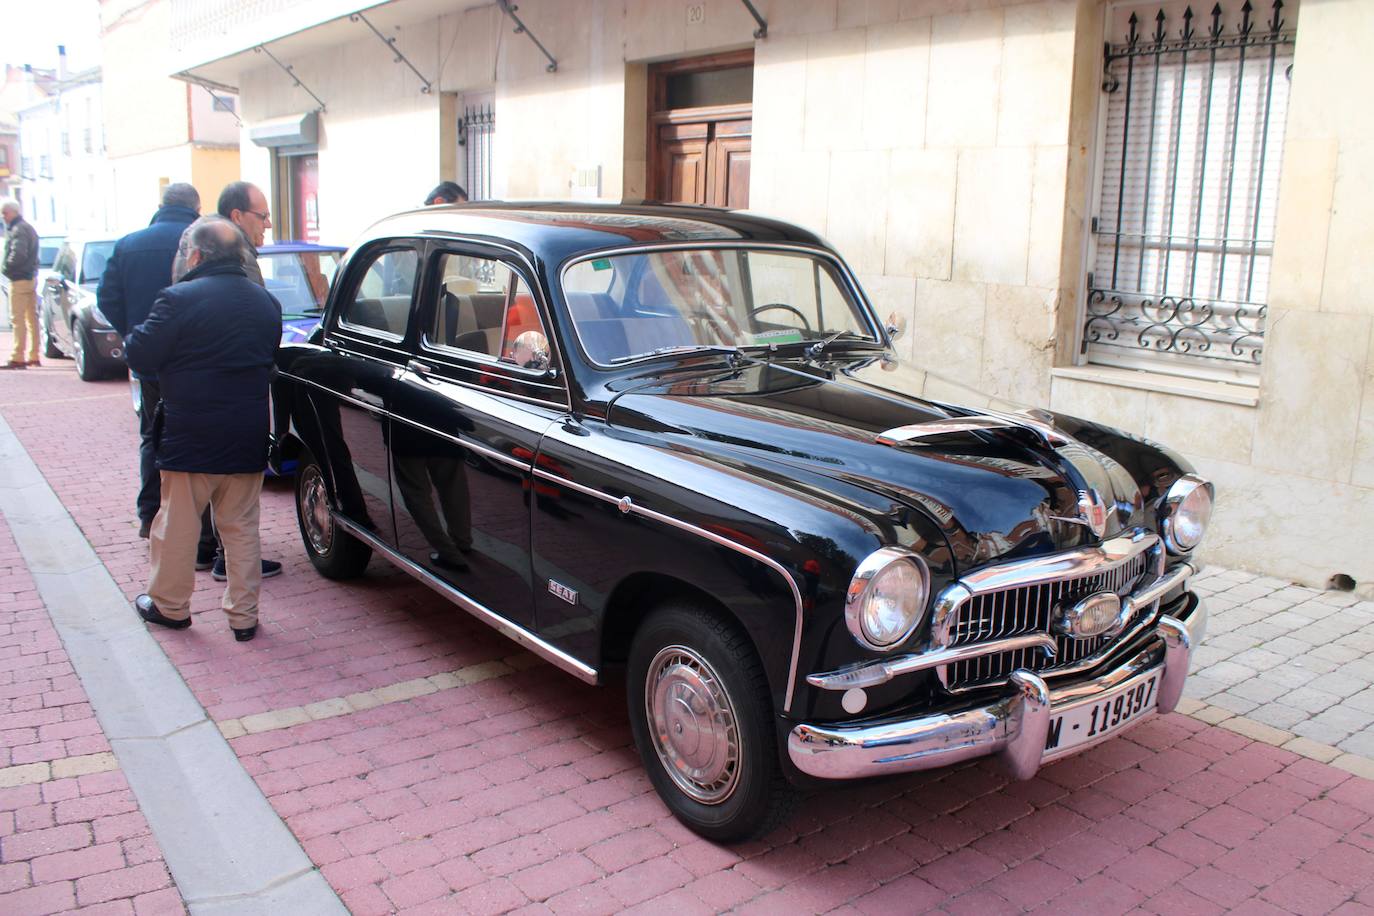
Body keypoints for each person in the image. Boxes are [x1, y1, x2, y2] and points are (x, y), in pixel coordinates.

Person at [125, 219, 282, 642]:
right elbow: (268, 355)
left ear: (195, 255)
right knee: (242, 528)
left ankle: (170, 606)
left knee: (177, 525)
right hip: (246, 432)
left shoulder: (178, 299)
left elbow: (139, 354)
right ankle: (243, 617)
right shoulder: (265, 302)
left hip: (190, 435)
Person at [97, 183, 203, 539]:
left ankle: (150, 514)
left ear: (161, 205)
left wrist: (133, 332)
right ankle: (197, 525)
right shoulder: (202, 240)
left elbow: (106, 297)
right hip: (192, 359)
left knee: (151, 434)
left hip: (149, 359)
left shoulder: (129, 244)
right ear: (195, 208)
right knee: (196, 436)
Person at [2, 199, 41, 369]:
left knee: (17, 319)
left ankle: (18, 356)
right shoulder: (27, 227)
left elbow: (18, 254)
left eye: (5, 213)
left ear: (13, 212)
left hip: (19, 279)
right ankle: (34, 355)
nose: (3, 217)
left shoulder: (18, 229)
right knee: (31, 318)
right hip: (30, 277)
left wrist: (6, 268)